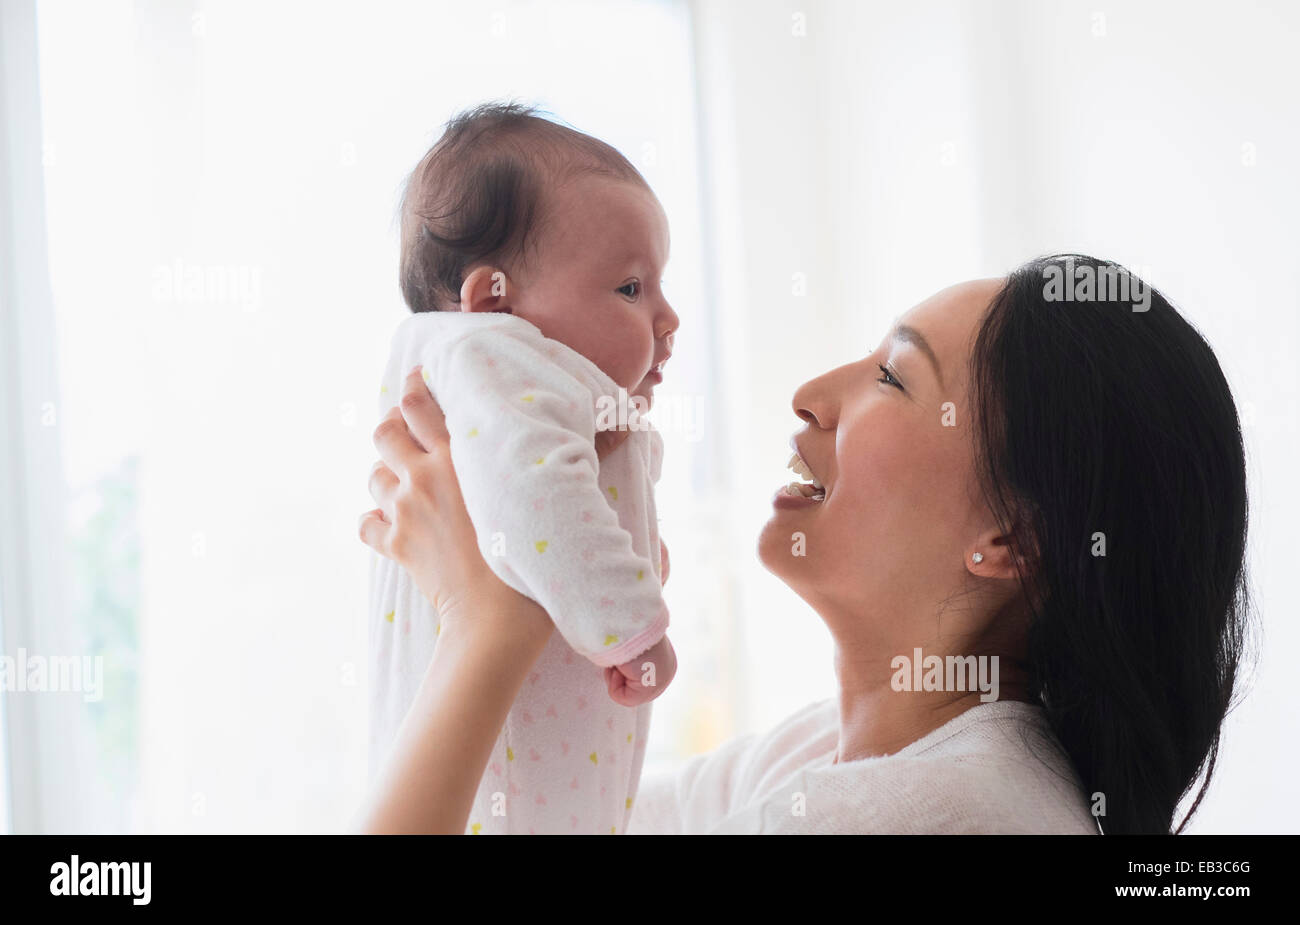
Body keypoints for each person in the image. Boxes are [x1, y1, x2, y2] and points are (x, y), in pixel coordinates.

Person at [356, 255, 1250, 834]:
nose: (812, 393)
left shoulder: (926, 815)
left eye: (894, 377)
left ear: (1011, 536)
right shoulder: (832, 757)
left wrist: (487, 621)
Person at [369, 102, 680, 835]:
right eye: (631, 289)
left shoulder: (525, 385)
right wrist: (634, 627)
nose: (668, 318)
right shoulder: (489, 356)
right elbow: (535, 493)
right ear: (492, 302)